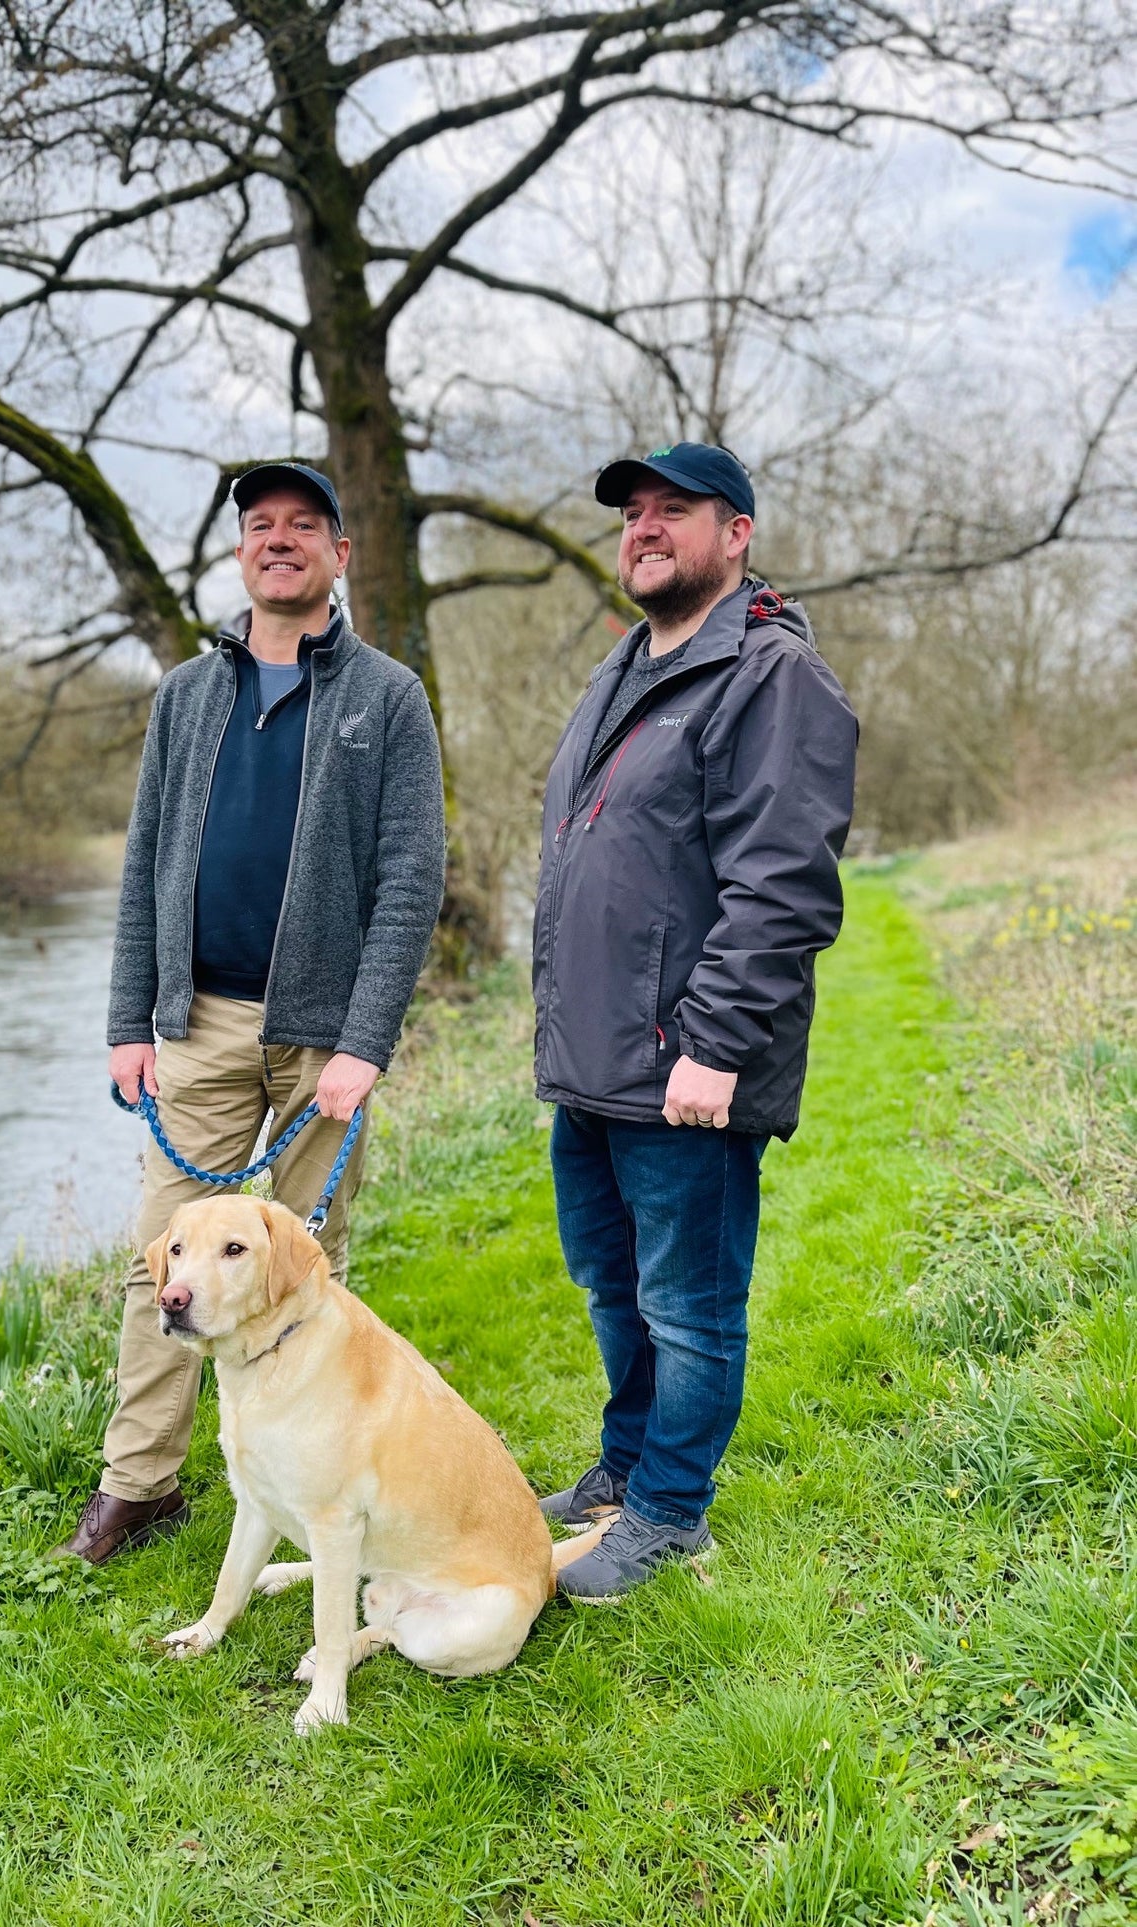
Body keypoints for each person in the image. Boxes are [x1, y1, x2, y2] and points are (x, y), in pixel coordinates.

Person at [56, 461, 446, 1564]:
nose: (279, 540)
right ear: (239, 553)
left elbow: (412, 878)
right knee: (162, 1264)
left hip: (325, 1036)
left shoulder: (386, 698)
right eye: (259, 525)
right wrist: (128, 1018)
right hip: (198, 1024)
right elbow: (142, 868)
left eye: (302, 525)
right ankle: (140, 1486)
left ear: (338, 553)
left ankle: (303, 1472)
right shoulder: (187, 695)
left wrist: (364, 1043)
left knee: (298, 1273)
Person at [533, 442, 858, 1600]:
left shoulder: (768, 676)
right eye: (632, 512)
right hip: (594, 1066)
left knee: (687, 1301)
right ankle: (624, 1469)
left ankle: (671, 1510)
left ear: (738, 534)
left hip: (685, 1070)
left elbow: (783, 884)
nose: (644, 527)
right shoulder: (622, 669)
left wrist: (716, 1042)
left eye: (676, 509)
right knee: (612, 1290)